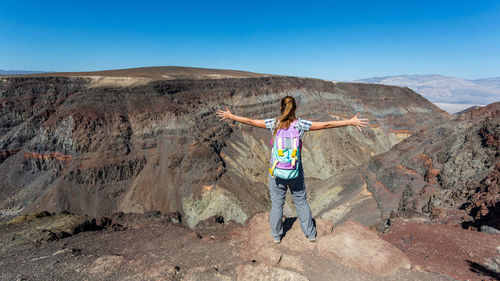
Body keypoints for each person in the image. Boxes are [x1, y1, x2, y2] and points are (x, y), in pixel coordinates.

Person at [216, 96, 368, 243]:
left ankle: (276, 236)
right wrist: (350, 121)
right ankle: (310, 234)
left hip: (276, 173)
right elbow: (325, 125)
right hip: (295, 172)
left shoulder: (274, 123)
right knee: (301, 202)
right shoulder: (300, 125)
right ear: (295, 108)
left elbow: (250, 121)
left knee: (277, 205)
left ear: (281, 108)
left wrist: (231, 116)